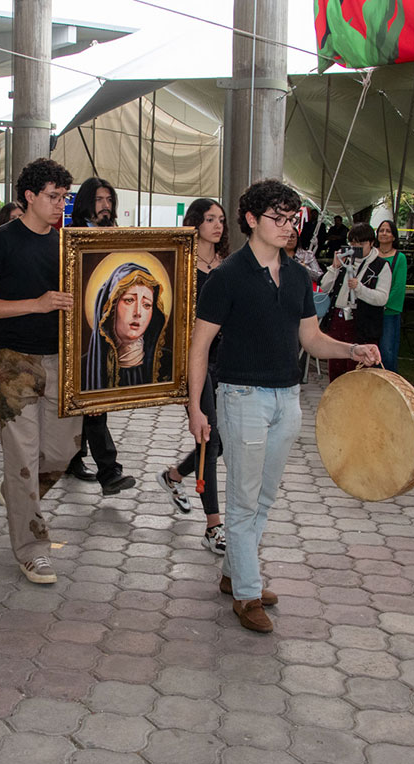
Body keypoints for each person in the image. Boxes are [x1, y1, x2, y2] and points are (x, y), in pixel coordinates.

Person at [189, 179, 380, 634]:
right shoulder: (226, 276)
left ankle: (237, 573)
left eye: (292, 217)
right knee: (243, 498)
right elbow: (198, 348)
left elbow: (311, 339)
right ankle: (247, 594)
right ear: (252, 219)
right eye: (277, 217)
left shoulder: (297, 275)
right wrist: (195, 408)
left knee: (265, 497)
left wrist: (351, 351)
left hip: (287, 398)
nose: (287, 226)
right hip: (240, 397)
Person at [0, 158, 82, 585]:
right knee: (22, 461)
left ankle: (15, 491)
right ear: (29, 196)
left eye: (64, 198)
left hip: (63, 363)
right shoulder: (0, 242)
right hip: (14, 363)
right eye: (53, 197)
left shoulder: (69, 244)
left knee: (63, 452)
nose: (60, 206)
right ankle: (32, 550)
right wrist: (36, 303)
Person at [159, 198, 229, 554]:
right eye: (210, 219)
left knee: (219, 443)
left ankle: (174, 476)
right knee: (209, 438)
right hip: (194, 361)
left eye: (221, 219)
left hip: (227, 362)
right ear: (195, 224)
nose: (217, 225)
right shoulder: (183, 265)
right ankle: (213, 525)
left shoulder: (228, 266)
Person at [64, 176, 137, 495]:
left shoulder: (117, 237)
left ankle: (73, 458)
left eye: (110, 200)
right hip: (77, 331)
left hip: (107, 331)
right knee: (94, 400)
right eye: (99, 200)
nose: (106, 206)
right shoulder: (71, 237)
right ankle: (109, 471)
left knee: (94, 399)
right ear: (85, 203)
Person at [318, 222, 392, 382]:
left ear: (372, 243)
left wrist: (360, 289)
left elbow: (382, 298)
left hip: (362, 325)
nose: (356, 247)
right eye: (352, 243)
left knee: (356, 375)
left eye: (361, 243)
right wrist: (334, 267)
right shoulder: (346, 260)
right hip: (338, 320)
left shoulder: (380, 266)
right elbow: (325, 287)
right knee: (336, 370)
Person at [83, 262, 171, 389]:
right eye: (129, 300)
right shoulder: (84, 367)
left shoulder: (168, 364)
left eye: (147, 305)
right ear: (111, 308)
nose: (138, 313)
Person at [376, 219, 409, 372]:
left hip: (388, 310)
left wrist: (383, 302)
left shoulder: (399, 258)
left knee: (387, 351)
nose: (384, 233)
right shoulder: (371, 254)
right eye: (381, 230)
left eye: (388, 231)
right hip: (370, 309)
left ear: (394, 236)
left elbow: (398, 285)